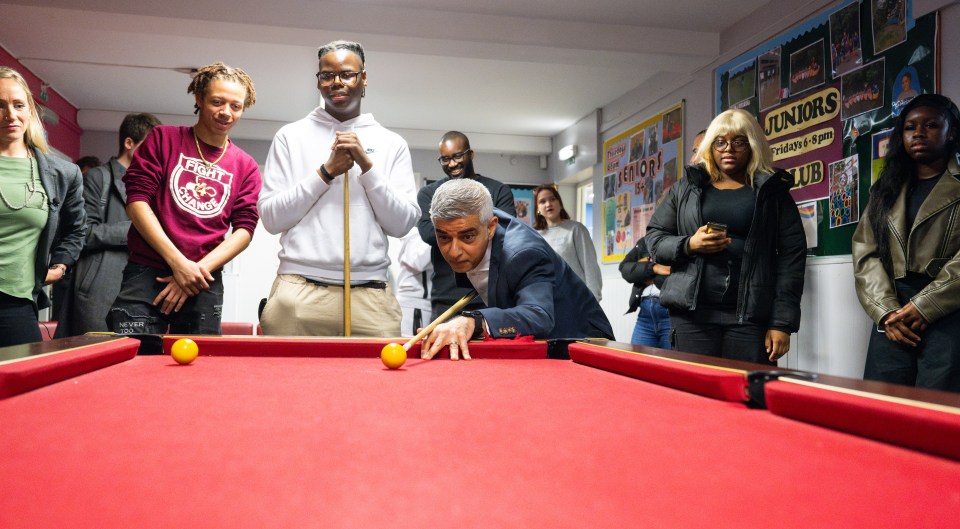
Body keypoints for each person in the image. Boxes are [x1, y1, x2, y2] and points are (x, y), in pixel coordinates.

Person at [258, 40, 419, 337]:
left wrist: (368, 168)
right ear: (318, 82)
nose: (336, 82)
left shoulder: (392, 143)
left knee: (379, 384)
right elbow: (271, 218)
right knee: (286, 383)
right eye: (327, 75)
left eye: (347, 74)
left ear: (364, 78)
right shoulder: (290, 136)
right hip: (298, 291)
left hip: (370, 296)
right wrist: (326, 171)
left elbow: (402, 224)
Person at [106, 63, 260, 335]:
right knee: (137, 358)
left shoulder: (246, 165)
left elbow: (245, 229)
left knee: (199, 368)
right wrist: (178, 264)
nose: (226, 112)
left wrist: (194, 273)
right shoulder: (163, 139)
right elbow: (137, 201)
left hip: (204, 280)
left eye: (235, 106)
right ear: (199, 99)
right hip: (148, 271)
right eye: (217, 102)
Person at [645, 109, 806, 364]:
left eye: (738, 142)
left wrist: (781, 323)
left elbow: (792, 260)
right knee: (695, 396)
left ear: (752, 145)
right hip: (692, 315)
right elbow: (654, 238)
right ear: (710, 146)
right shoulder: (687, 187)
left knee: (748, 395)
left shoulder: (772, 192)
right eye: (720, 142)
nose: (728, 149)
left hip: (751, 318)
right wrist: (689, 244)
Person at [420, 178, 613, 360]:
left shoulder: (523, 253)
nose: (454, 252)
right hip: (545, 342)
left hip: (583, 341)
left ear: (491, 227)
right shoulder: (474, 217)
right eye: (444, 237)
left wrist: (473, 321)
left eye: (467, 237)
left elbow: (539, 315)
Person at [852, 94, 960, 391]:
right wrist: (886, 311)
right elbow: (866, 253)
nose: (919, 133)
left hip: (948, 310)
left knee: (937, 413)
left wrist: (926, 305)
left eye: (931, 125)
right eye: (910, 127)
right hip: (894, 313)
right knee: (882, 405)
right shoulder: (885, 189)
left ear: (951, 132)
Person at [0, 67, 85, 347]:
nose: (10, 114)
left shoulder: (63, 174)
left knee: (21, 387)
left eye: (18, 105)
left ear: (30, 110)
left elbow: (76, 230)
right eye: (0, 106)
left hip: (17, 304)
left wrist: (59, 266)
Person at [56, 113, 161, 337]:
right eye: (150, 145)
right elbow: (83, 233)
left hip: (142, 287)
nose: (156, 153)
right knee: (93, 356)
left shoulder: (155, 185)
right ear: (129, 143)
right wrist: (139, 228)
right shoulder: (96, 177)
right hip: (99, 287)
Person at [417, 131, 516, 318]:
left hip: (490, 294)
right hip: (446, 296)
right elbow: (428, 233)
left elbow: (505, 233)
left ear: (470, 154)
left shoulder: (498, 190)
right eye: (445, 159)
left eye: (457, 156)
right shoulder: (429, 193)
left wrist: (444, 217)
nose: (452, 164)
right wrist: (477, 222)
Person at [533, 185, 602, 300]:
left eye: (552, 199)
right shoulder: (535, 236)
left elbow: (590, 267)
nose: (548, 204)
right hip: (549, 300)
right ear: (538, 209)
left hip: (577, 299)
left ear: (560, 203)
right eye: (542, 201)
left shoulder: (576, 229)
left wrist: (594, 300)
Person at [620, 238, 671, 348]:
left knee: (672, 363)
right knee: (636, 362)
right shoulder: (645, 241)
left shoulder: (679, 239)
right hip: (645, 314)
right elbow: (624, 268)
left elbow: (676, 274)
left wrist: (643, 270)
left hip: (672, 314)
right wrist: (654, 268)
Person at [395, 227, 432, 337]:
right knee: (412, 346)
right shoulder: (419, 233)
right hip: (415, 302)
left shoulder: (415, 233)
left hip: (418, 303)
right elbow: (418, 263)